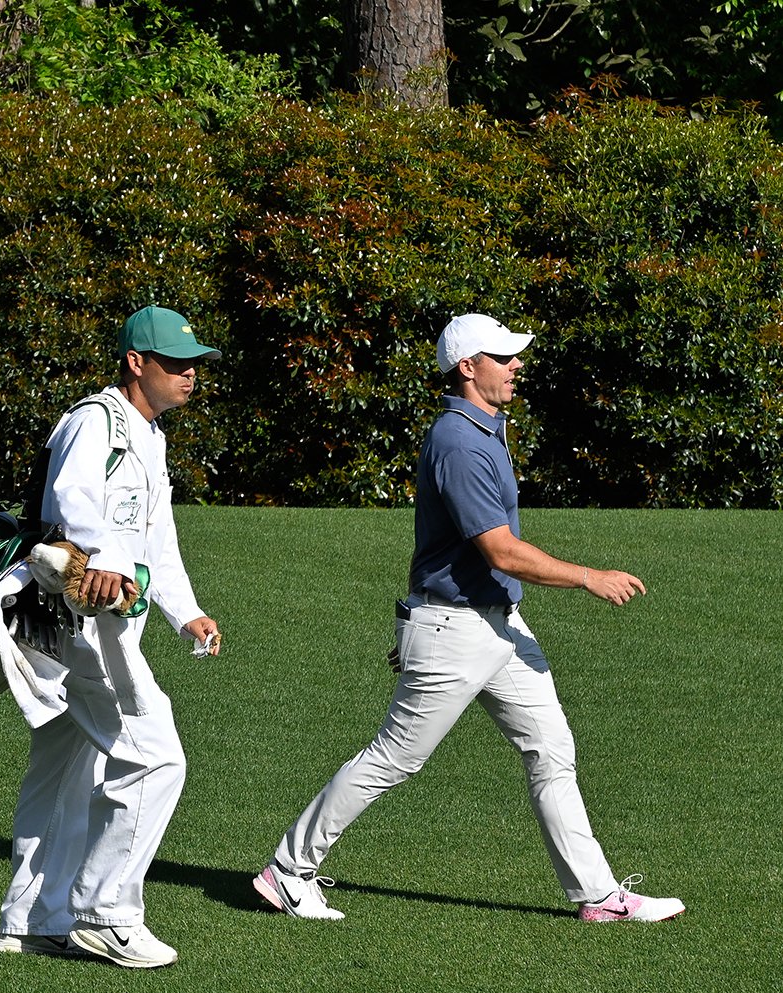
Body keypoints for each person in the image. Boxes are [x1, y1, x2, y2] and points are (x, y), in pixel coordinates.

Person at [253, 312, 683, 923]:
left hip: (498, 625)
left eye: (514, 356)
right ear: (467, 367)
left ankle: (597, 896)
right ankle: (288, 871)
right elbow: (501, 550)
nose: (515, 365)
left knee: (551, 750)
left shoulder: (484, 431)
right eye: (502, 357)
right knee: (395, 757)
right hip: (453, 629)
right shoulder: (458, 442)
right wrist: (590, 576)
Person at [0, 305, 223, 969]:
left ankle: (34, 918)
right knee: (156, 756)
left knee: (69, 771)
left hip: (96, 625)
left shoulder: (147, 436)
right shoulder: (95, 421)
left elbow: (160, 542)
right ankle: (107, 912)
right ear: (135, 362)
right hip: (79, 624)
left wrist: (187, 612)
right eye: (175, 363)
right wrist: (99, 558)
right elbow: (70, 504)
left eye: (193, 364)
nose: (189, 375)